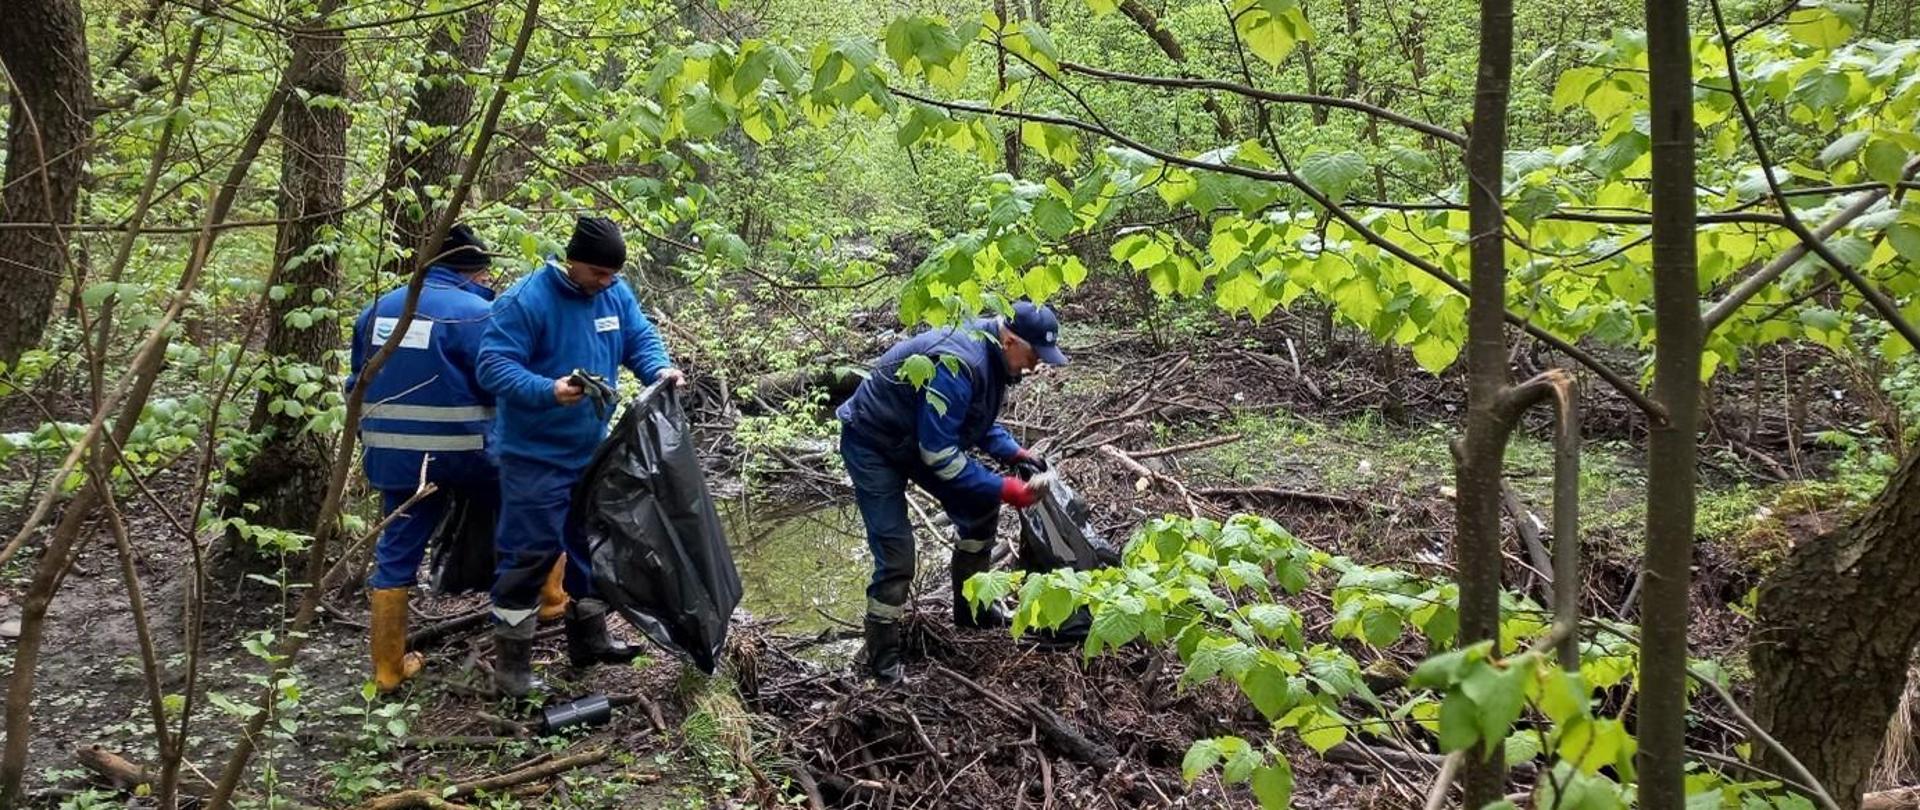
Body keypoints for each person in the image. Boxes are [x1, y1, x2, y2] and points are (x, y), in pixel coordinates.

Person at [477, 216, 687, 697]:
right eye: (597, 272)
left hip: (590, 451)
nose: (605, 282)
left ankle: (589, 638)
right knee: (529, 555)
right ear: (571, 261)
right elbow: (492, 366)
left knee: (590, 545)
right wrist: (545, 389)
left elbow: (639, 337)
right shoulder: (526, 300)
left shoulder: (614, 293)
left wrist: (661, 370)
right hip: (533, 455)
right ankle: (512, 669)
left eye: (612, 274)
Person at [349, 224, 561, 694]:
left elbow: (355, 383)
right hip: (468, 454)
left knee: (397, 548)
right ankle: (550, 600)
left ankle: (386, 671)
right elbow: (500, 381)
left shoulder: (377, 310)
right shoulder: (478, 313)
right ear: (476, 271)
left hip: (395, 459)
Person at [836, 301, 1070, 684]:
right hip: (873, 442)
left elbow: (971, 420)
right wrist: (1005, 488)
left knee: (980, 510)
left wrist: (1014, 452)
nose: (1035, 366)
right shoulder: (959, 362)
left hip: (915, 438)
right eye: (1033, 355)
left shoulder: (993, 356)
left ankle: (972, 612)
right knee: (897, 556)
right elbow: (940, 453)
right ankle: (884, 662)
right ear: (1010, 339)